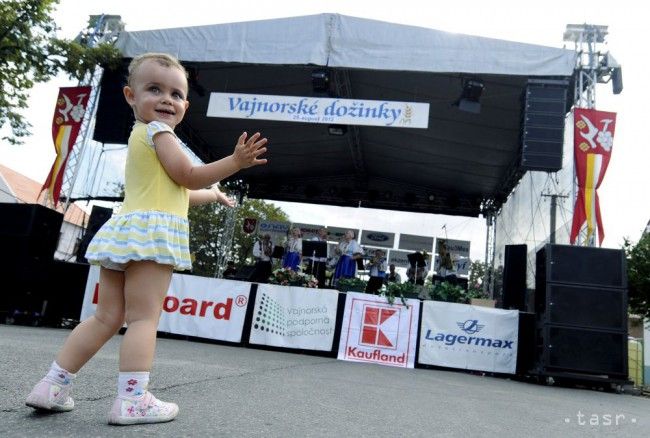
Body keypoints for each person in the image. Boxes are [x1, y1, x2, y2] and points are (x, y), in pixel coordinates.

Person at [25, 53, 268, 425]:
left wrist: (214, 194)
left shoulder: (141, 134)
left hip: (126, 232)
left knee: (105, 317)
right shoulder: (161, 132)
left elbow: (177, 192)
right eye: (155, 89)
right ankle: (132, 400)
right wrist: (234, 162)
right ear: (130, 95)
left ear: (186, 105)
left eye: (175, 93)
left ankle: (51, 386)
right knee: (143, 319)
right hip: (151, 239)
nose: (167, 99)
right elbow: (187, 175)